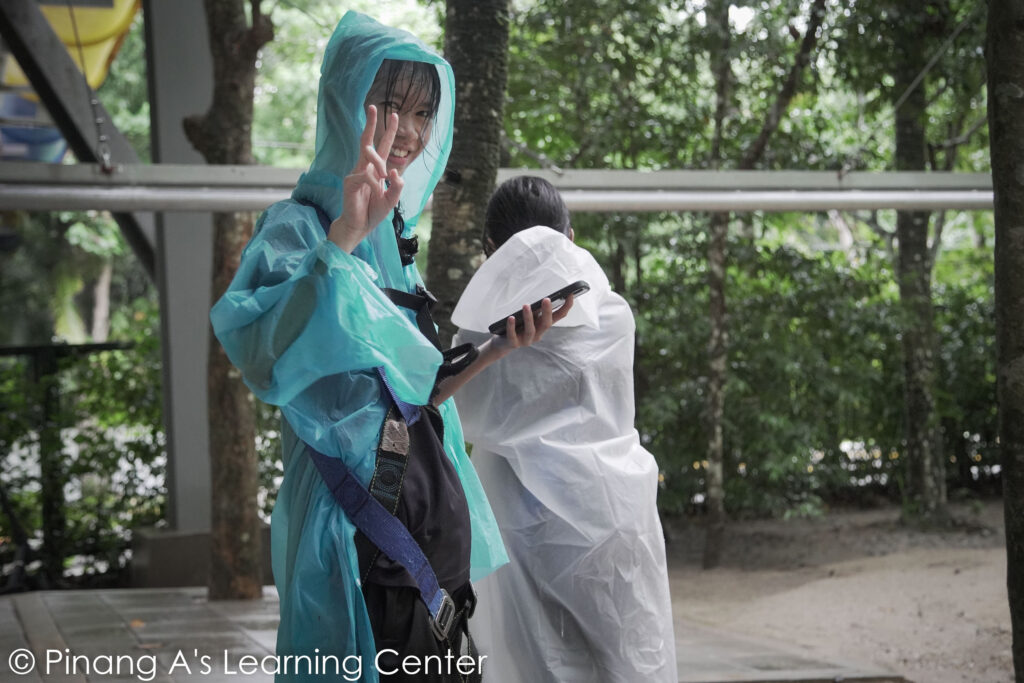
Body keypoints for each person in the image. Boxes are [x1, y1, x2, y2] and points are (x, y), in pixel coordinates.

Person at [210, 15, 569, 682]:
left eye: (424, 112)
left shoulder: (394, 243)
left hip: (421, 556)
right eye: (391, 105)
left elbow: (409, 396)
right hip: (351, 545)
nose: (408, 130)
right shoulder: (296, 230)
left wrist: (496, 348)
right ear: (345, 102)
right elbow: (263, 349)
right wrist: (342, 240)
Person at [451, 176, 679, 683]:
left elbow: (453, 411)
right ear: (570, 240)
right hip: (611, 505)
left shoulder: (479, 336)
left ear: (489, 249)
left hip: (515, 517)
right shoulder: (613, 315)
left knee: (531, 660)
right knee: (626, 655)